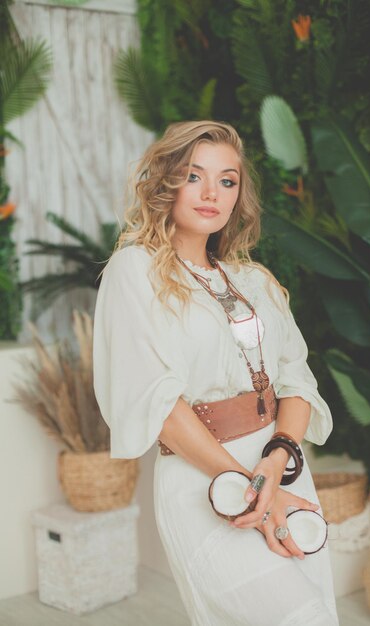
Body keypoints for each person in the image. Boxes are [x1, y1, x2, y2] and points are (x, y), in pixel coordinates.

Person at [93, 120, 339, 626]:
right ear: (166, 184)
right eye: (193, 176)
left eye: (227, 180)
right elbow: (157, 402)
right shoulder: (133, 271)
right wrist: (252, 489)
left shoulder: (255, 281)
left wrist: (274, 464)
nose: (211, 193)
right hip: (205, 479)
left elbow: (296, 380)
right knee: (299, 617)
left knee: (318, 611)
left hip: (280, 465)